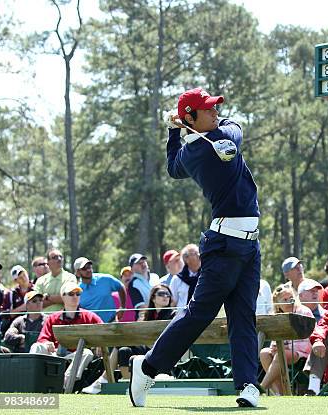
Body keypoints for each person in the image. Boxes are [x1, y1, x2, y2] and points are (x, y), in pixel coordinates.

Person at [129, 87, 261, 408]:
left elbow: (174, 167)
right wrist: (183, 128)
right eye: (208, 110)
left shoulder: (190, 150)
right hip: (224, 245)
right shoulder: (217, 143)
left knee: (244, 316)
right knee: (199, 314)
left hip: (248, 246)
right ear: (192, 116)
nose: (215, 113)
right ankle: (147, 367)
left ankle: (247, 385)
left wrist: (175, 131)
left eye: (215, 109)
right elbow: (236, 128)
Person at [30, 281, 102, 388]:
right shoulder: (53, 318)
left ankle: (63, 385)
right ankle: (31, 382)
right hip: (55, 354)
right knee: (36, 346)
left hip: (77, 356)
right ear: (63, 297)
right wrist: (46, 343)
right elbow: (42, 338)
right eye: (71, 294)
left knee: (86, 352)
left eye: (78, 294)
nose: (75, 296)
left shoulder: (90, 316)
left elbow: (104, 331)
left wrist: (100, 344)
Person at [259, 285, 313, 395]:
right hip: (285, 352)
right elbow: (275, 341)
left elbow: (308, 341)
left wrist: (284, 348)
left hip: (302, 354)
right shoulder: (277, 316)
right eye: (285, 299)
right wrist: (274, 348)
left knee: (280, 355)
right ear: (278, 304)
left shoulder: (304, 311)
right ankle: (280, 393)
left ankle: (261, 388)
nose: (289, 301)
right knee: (264, 353)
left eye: (291, 297)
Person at [76, 257, 126, 323]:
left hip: (111, 322)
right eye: (84, 268)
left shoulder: (106, 279)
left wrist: (122, 307)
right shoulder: (77, 290)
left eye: (89, 267)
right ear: (78, 272)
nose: (88, 270)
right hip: (91, 327)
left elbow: (121, 287)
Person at [34, 248, 77, 312]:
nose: (59, 259)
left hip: (64, 319)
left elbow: (70, 299)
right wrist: (60, 298)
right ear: (48, 262)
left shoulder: (70, 278)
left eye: (61, 257)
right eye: (55, 257)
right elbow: (36, 303)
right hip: (45, 320)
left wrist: (47, 297)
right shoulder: (41, 281)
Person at [0, 265, 34, 333]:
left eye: (24, 275)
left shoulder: (37, 289)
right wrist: (22, 308)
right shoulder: (10, 294)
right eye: (20, 277)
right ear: (16, 281)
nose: (24, 278)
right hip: (16, 328)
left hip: (35, 326)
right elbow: (5, 314)